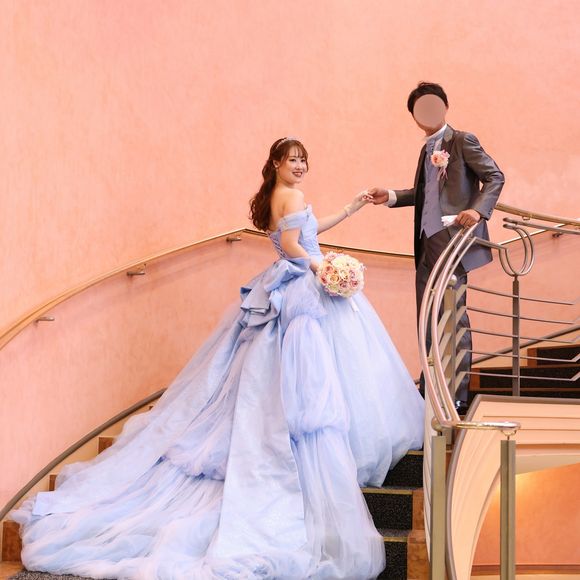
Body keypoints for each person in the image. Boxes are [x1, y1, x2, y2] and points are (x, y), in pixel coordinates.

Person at [11, 137, 424, 579]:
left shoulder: (278, 195)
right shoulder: (291, 195)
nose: (300, 166)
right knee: (314, 378)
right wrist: (321, 267)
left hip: (288, 281)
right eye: (293, 160)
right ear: (277, 163)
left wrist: (350, 209)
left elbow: (305, 231)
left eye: (304, 160)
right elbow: (294, 244)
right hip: (301, 284)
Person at [368, 82, 505, 414]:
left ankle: (457, 396)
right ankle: (431, 389)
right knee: (427, 316)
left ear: (444, 107)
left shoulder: (462, 140)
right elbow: (426, 194)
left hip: (453, 239)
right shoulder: (426, 149)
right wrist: (392, 196)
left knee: (453, 315)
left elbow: (495, 176)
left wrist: (477, 210)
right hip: (426, 242)